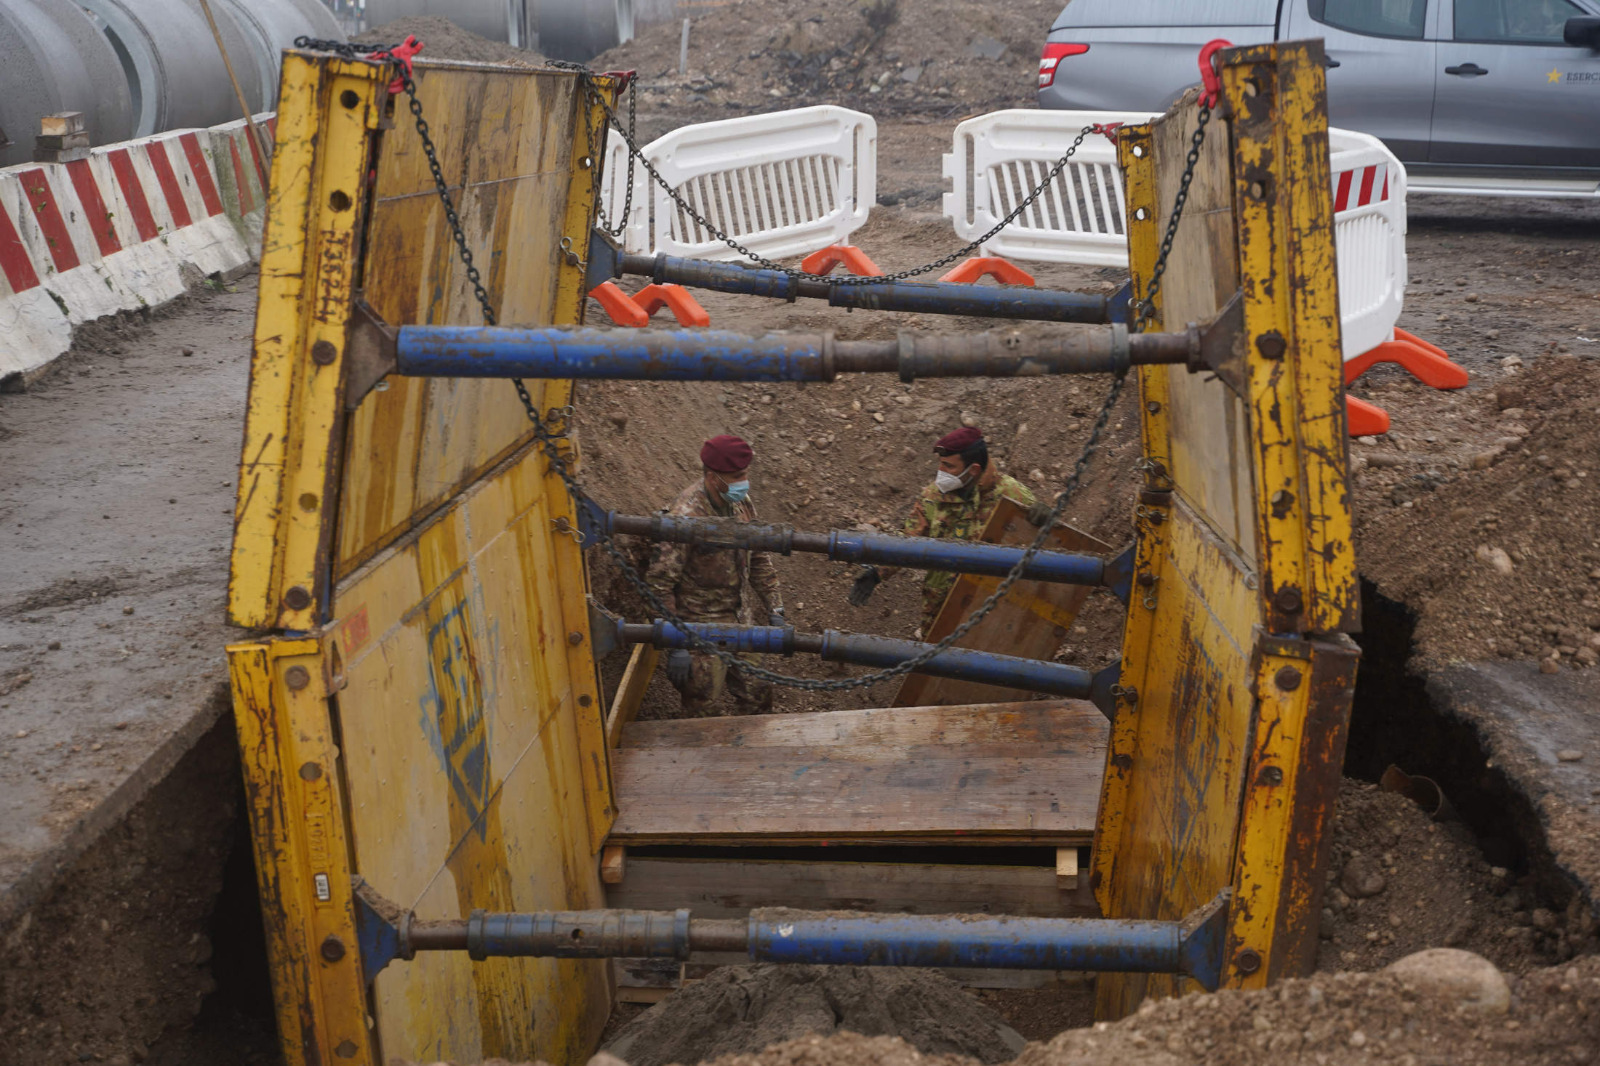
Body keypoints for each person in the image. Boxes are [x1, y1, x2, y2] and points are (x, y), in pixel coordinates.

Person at [848, 426, 1052, 634]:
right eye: (940, 464)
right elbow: (907, 540)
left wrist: (1045, 518)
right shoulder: (933, 497)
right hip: (940, 607)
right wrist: (877, 573)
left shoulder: (1012, 493)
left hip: (992, 607)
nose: (941, 472)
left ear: (972, 470)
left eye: (948, 466)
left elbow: (1055, 542)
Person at [645, 434, 785, 716]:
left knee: (759, 697)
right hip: (700, 633)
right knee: (702, 712)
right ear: (712, 476)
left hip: (740, 622)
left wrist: (776, 607)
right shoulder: (685, 518)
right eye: (736, 476)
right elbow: (658, 585)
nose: (743, 483)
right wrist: (676, 644)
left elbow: (758, 557)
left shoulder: (741, 504)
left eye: (745, 474)